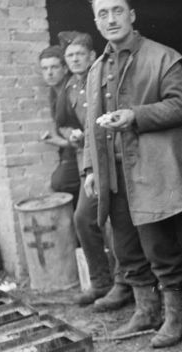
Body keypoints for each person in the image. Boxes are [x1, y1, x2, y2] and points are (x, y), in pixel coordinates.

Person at [83, 0, 182, 346]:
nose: (110, 19)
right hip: (112, 172)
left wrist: (135, 115)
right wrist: (89, 170)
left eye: (117, 11)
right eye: (103, 13)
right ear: (96, 21)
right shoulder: (97, 68)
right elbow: (90, 126)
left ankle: (175, 317)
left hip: (151, 168)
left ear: (131, 16)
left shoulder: (162, 57)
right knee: (126, 247)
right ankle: (146, 311)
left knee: (159, 247)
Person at [55, 31, 134, 308]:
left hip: (117, 160)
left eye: (80, 54)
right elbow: (62, 122)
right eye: (70, 56)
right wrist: (72, 135)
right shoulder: (68, 89)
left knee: (120, 224)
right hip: (90, 166)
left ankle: (126, 284)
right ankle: (101, 282)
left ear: (91, 56)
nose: (75, 59)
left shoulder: (106, 78)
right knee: (83, 219)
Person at [38, 46, 80, 206]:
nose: (49, 72)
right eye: (45, 68)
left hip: (84, 151)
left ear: (65, 68)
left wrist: (60, 141)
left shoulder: (72, 91)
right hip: (71, 149)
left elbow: (86, 132)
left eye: (54, 67)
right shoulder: (54, 92)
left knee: (60, 182)